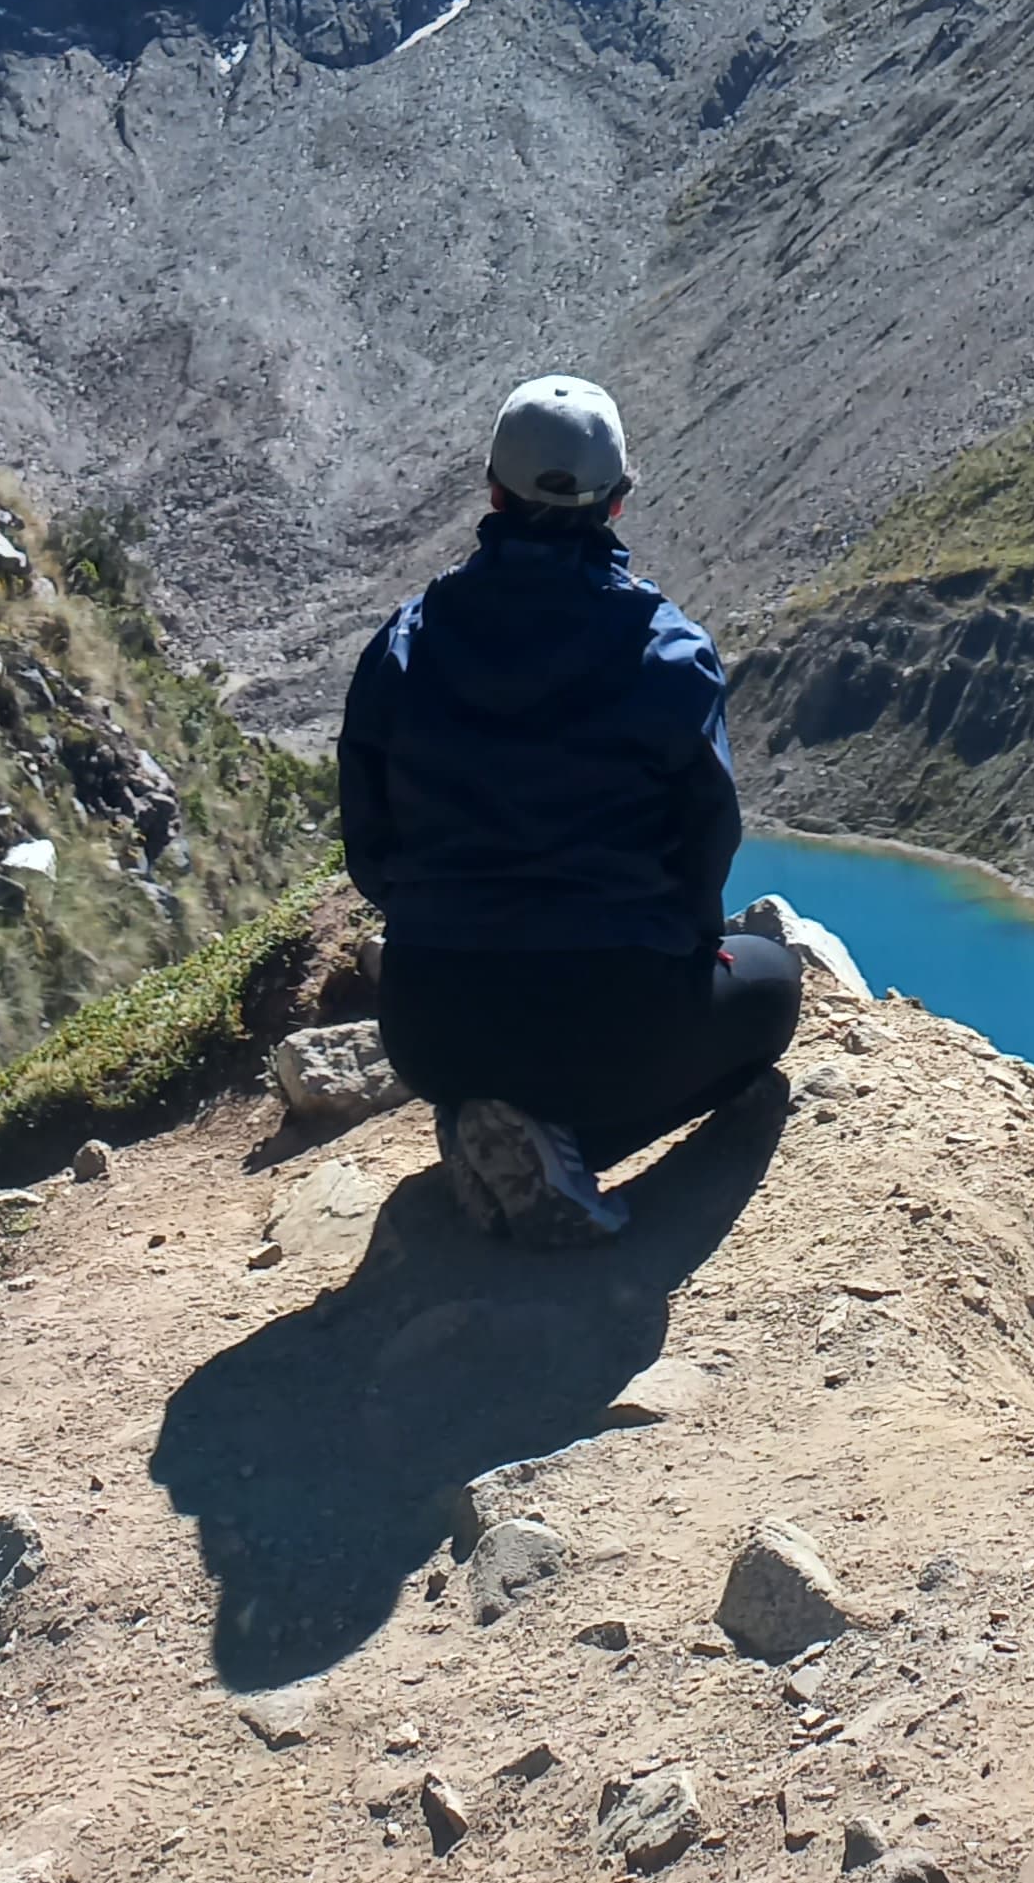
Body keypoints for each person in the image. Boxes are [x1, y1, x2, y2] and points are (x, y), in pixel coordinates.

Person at [338, 372, 802, 1247]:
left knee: (497, 1034)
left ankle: (490, 1125)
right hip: (611, 1025)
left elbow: (369, 841)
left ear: (491, 492)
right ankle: (566, 1145)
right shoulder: (669, 651)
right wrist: (689, 941)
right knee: (772, 987)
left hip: (430, 1023)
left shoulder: (405, 639)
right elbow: (708, 836)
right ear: (618, 505)